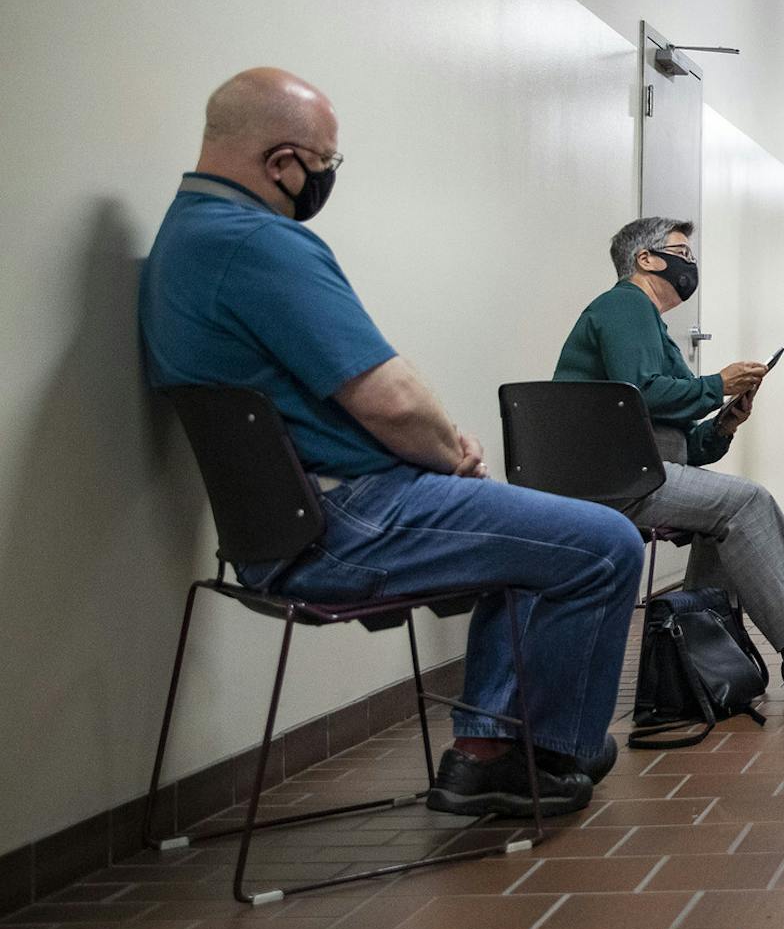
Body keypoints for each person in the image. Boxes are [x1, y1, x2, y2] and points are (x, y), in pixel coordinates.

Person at [139, 68, 645, 818]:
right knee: (606, 542)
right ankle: (546, 752)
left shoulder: (183, 238)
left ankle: (486, 752)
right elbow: (391, 397)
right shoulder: (259, 243)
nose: (326, 179)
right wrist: (452, 454)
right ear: (283, 162)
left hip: (283, 524)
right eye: (326, 163)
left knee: (536, 536)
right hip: (343, 521)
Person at [554, 218, 784, 699]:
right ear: (645, 259)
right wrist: (717, 385)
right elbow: (642, 394)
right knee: (747, 502)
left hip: (640, 470)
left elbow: (679, 441)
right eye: (680, 252)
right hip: (613, 477)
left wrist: (724, 421)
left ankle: (707, 666)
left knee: (721, 522)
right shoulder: (625, 304)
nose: (690, 263)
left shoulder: (648, 322)